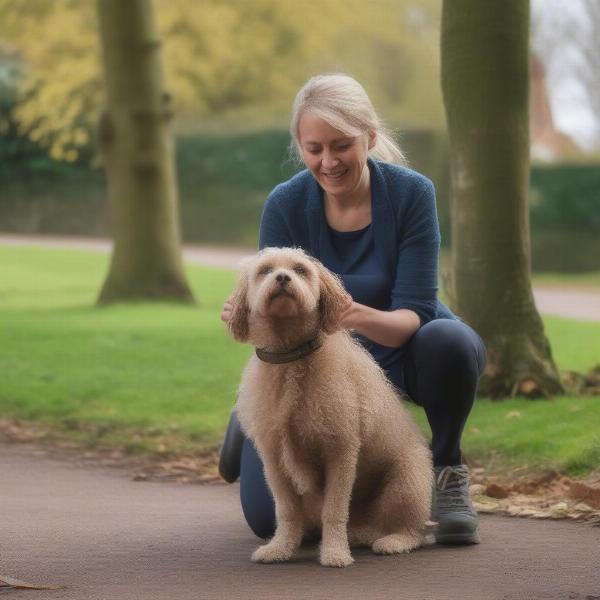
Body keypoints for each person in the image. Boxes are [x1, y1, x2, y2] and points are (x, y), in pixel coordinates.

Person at [219, 73, 487, 546]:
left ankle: (445, 469)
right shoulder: (285, 202)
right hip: (313, 363)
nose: (328, 161)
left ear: (370, 137)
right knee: (271, 524)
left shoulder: (412, 194)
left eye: (341, 145)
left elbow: (414, 312)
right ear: (299, 146)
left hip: (401, 348)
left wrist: (344, 312)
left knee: (451, 342)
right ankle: (251, 415)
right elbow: (271, 296)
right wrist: (249, 308)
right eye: (314, 147)